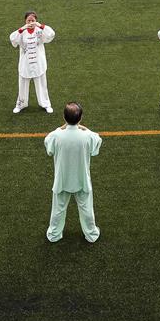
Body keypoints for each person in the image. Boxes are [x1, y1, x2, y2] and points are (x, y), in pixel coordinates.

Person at [44, 102, 102, 243]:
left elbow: (49, 146)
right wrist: (82, 127)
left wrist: (62, 127)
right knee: (86, 209)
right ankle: (91, 234)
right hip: (82, 180)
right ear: (81, 118)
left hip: (62, 180)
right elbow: (96, 141)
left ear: (64, 117)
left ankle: (54, 235)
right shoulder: (88, 136)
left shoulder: (56, 136)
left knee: (58, 209)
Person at [9, 12, 55, 114]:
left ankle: (46, 104)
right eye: (28, 20)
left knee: (42, 84)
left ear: (36, 21)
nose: (31, 22)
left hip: (38, 63)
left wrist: (40, 25)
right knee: (22, 85)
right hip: (25, 64)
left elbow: (51, 34)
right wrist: (22, 28)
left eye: (33, 20)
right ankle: (20, 104)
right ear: (25, 21)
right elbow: (13, 39)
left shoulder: (40, 30)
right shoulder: (21, 32)